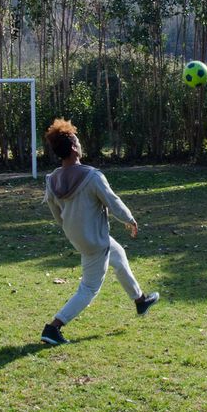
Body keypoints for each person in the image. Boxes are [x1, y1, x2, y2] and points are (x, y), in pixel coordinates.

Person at [41, 118, 159, 346]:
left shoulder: (52, 179)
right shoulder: (92, 176)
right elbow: (112, 202)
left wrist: (70, 227)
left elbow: (57, 214)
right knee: (89, 288)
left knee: (118, 255)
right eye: (77, 140)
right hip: (95, 240)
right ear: (74, 148)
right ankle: (53, 328)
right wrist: (129, 219)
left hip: (80, 237)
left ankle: (140, 300)